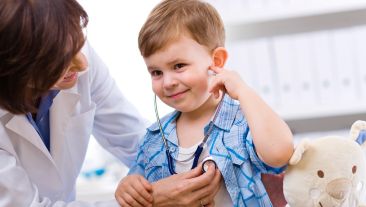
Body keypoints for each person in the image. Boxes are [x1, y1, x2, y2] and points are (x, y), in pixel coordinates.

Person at [0, 0, 221, 206]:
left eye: (77, 43)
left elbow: (136, 141)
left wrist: (144, 177)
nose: (82, 63)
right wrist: (145, 200)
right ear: (17, 69)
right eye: (60, 62)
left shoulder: (72, 52)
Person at [114, 0, 294, 206]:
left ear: (216, 61)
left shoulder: (243, 122)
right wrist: (127, 187)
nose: (168, 82)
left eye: (179, 65)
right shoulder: (153, 139)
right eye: (156, 72)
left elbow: (280, 154)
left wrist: (244, 92)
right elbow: (137, 190)